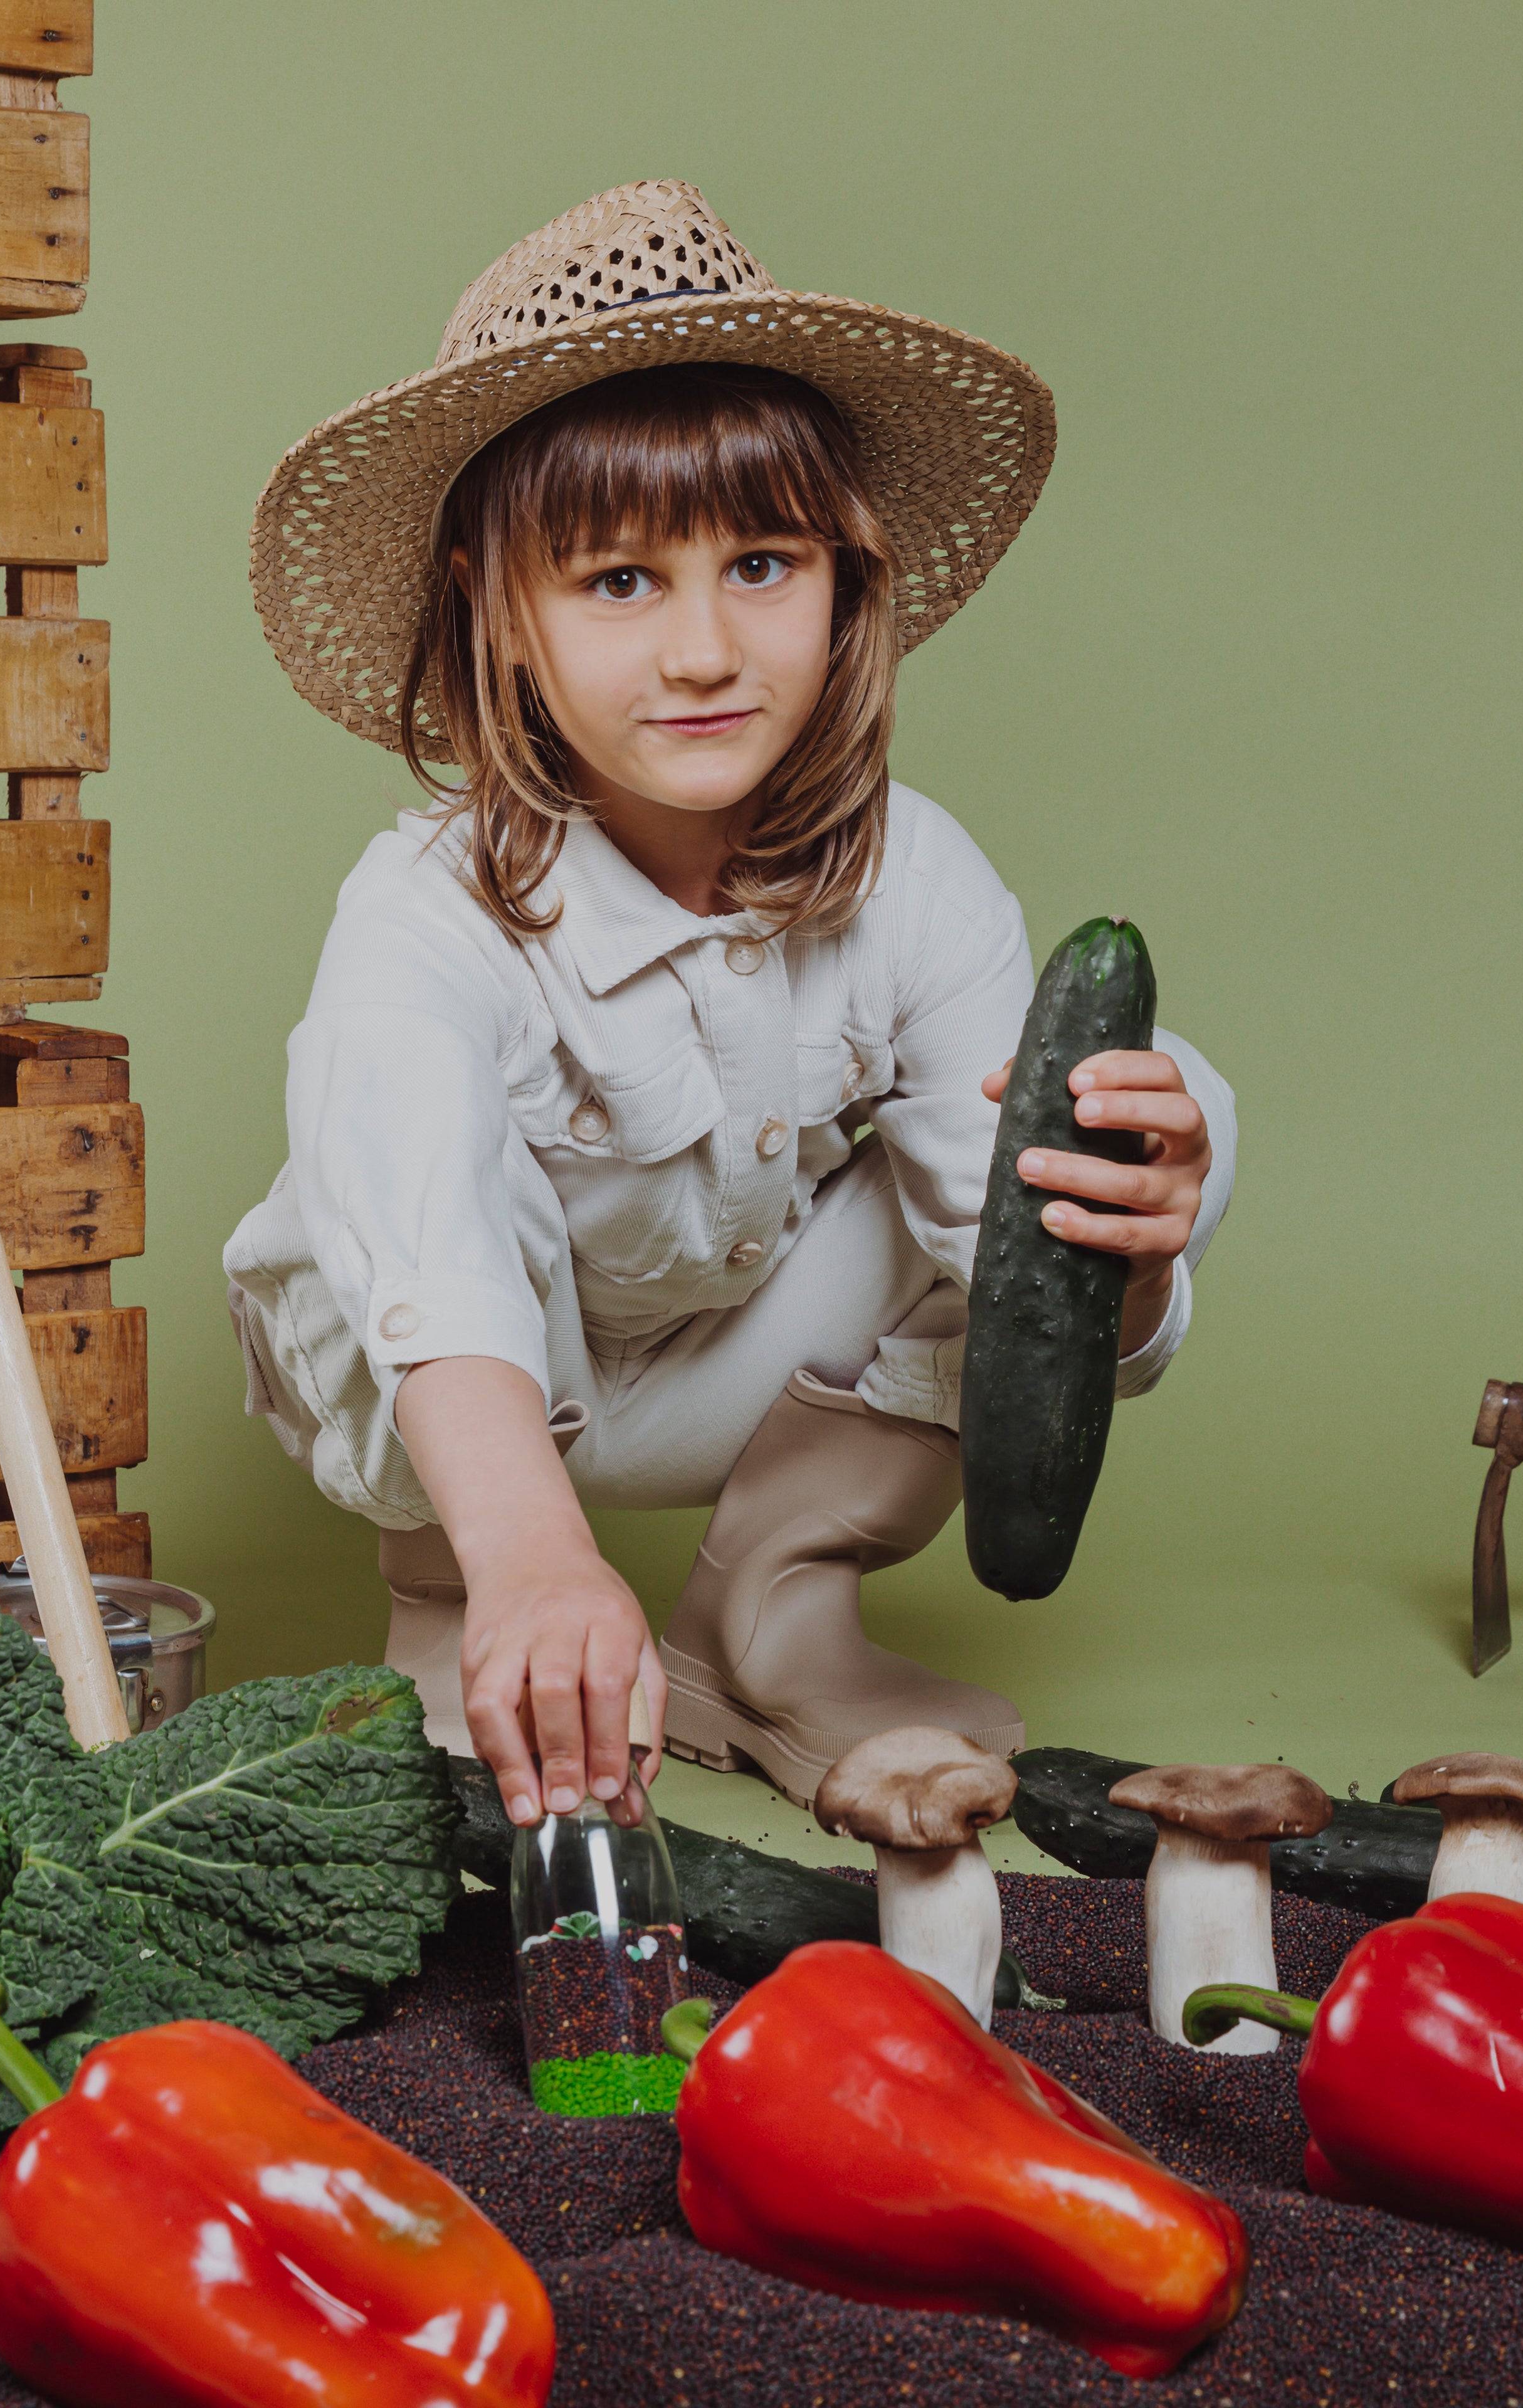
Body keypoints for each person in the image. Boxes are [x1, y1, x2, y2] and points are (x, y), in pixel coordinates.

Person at [229, 181, 1236, 1829]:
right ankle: (469, 1611)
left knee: (1125, 1096)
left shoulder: (916, 879)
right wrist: (535, 1553)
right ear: (498, 607)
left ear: (846, 577)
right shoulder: (430, 907)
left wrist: (1123, 1260)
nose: (704, 650)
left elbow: (1014, 1284)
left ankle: (769, 1617)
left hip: (738, 1362)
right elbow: (420, 1247)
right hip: (471, 1398)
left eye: (760, 564)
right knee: (403, 1185)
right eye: (620, 582)